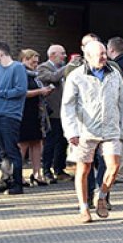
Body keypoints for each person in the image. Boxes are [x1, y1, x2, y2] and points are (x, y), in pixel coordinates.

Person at [62, 41, 123, 223]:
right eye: (100, 55)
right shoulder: (76, 76)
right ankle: (83, 207)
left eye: (105, 54)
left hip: (111, 128)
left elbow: (122, 104)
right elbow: (67, 106)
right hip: (85, 130)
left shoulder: (115, 74)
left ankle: (101, 196)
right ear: (88, 56)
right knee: (84, 169)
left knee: (114, 166)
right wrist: (71, 132)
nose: (104, 58)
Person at [0, 42, 28, 195]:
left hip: (10, 114)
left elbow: (21, 90)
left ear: (1, 53)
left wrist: (1, 92)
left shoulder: (17, 67)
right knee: (2, 151)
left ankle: (18, 183)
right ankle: (6, 179)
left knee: (12, 149)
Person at [18, 49, 53, 187]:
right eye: (33, 61)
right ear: (24, 60)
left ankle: (37, 173)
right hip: (24, 112)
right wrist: (40, 91)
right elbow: (22, 92)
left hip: (36, 112)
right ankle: (18, 174)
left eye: (37, 62)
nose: (35, 65)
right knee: (23, 143)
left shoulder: (35, 76)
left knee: (37, 142)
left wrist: (45, 92)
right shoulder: (20, 73)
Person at [37, 44, 72, 183]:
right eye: (62, 54)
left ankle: (59, 169)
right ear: (52, 55)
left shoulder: (63, 70)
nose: (64, 56)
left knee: (63, 142)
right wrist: (68, 66)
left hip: (65, 111)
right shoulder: (43, 68)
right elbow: (52, 78)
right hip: (52, 112)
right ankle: (46, 170)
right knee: (50, 142)